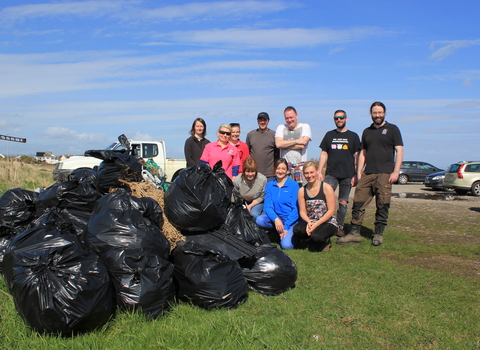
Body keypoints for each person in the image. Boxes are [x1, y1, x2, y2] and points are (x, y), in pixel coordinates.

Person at [337, 102, 404, 246]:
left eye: (380, 112)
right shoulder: (367, 131)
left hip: (385, 173)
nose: (377, 115)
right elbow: (363, 153)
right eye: (375, 113)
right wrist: (359, 172)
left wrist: (396, 171)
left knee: (383, 204)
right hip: (368, 172)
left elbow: (399, 150)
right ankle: (354, 233)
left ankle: (378, 234)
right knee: (358, 201)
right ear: (371, 114)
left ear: (384, 113)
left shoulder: (393, 129)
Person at [318, 110, 361, 237]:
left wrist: (356, 174)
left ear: (346, 119)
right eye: (336, 118)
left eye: (341, 118)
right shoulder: (329, 135)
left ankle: (339, 226)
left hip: (347, 174)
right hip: (331, 173)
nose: (339, 120)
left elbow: (357, 155)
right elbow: (324, 153)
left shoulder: (353, 136)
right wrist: (319, 170)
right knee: (325, 199)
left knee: (343, 202)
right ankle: (324, 224)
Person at [293, 161, 338, 252]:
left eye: (311, 172)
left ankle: (324, 241)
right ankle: (313, 240)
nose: (309, 175)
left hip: (327, 221)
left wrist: (317, 224)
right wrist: (309, 222)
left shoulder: (326, 187)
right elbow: (302, 211)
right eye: (306, 173)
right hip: (311, 221)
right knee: (297, 230)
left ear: (317, 172)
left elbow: (331, 211)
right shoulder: (302, 190)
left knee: (316, 236)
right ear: (303, 174)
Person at [256, 158, 299, 250]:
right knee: (259, 220)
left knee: (287, 246)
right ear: (274, 169)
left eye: (283, 169)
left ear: (287, 170)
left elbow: (296, 210)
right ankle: (278, 232)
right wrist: (276, 219)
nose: (280, 171)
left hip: (290, 220)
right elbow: (267, 207)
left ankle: (290, 234)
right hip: (277, 219)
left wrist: (286, 226)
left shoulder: (293, 185)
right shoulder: (270, 185)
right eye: (278, 168)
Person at [275, 106, 312, 185]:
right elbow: (278, 144)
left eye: (291, 117)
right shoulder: (281, 127)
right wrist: (297, 141)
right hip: (285, 169)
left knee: (301, 193)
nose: (289, 120)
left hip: (301, 169)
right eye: (287, 118)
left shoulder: (305, 127)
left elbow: (302, 145)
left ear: (297, 116)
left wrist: (284, 144)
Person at [246, 112, 278, 181]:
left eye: (264, 120)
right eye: (260, 120)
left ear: (268, 121)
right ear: (257, 121)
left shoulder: (274, 135)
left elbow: (277, 154)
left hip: (270, 175)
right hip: (254, 174)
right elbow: (247, 153)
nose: (262, 122)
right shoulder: (250, 135)